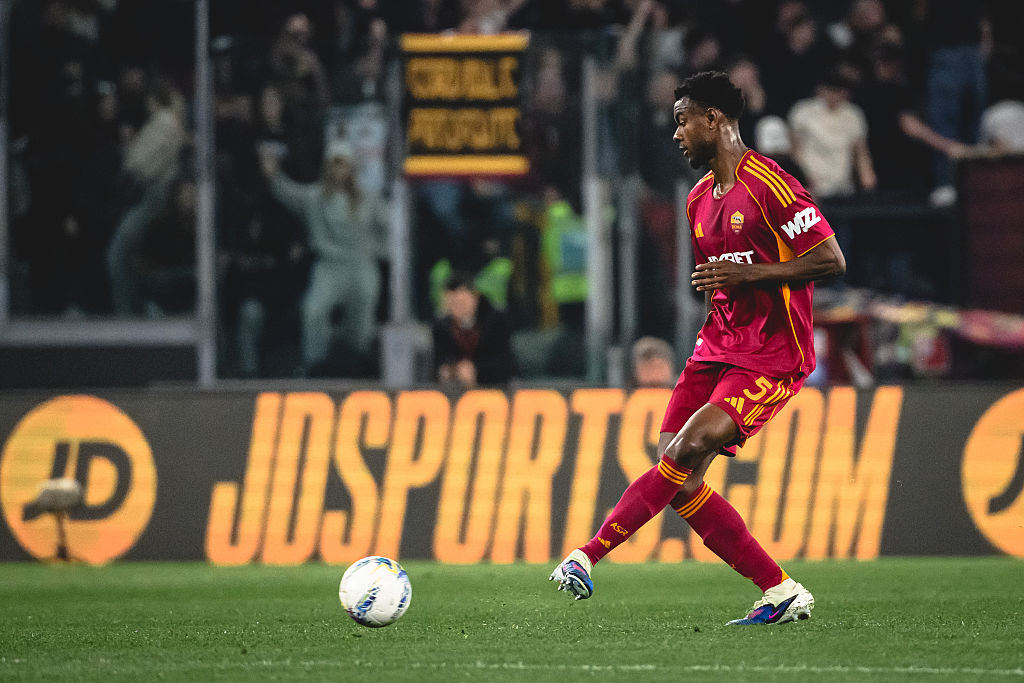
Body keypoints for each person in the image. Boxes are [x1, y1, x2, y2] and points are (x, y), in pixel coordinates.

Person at [550, 71, 846, 625]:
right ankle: (780, 590)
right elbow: (718, 281)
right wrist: (718, 310)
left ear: (714, 120)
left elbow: (831, 260)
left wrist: (750, 274)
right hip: (715, 348)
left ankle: (587, 554)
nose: (676, 133)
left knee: (684, 451)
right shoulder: (696, 201)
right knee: (680, 476)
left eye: (683, 120)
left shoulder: (773, 186)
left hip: (771, 354)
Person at [260, 139, 387, 376]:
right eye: (334, 165)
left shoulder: (368, 198)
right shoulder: (315, 197)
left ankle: (356, 360)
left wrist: (380, 250)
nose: (339, 170)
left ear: (351, 168)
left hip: (361, 265)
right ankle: (313, 365)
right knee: (313, 309)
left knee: (363, 310)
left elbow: (389, 224)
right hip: (329, 267)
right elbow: (288, 193)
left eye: (344, 164)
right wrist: (273, 175)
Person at [432, 271, 515, 388]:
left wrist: (476, 370)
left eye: (461, 303)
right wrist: (452, 371)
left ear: (475, 298)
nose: (457, 309)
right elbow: (437, 364)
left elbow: (505, 363)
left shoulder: (496, 321)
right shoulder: (441, 326)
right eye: (452, 304)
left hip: (494, 388)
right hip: (454, 390)